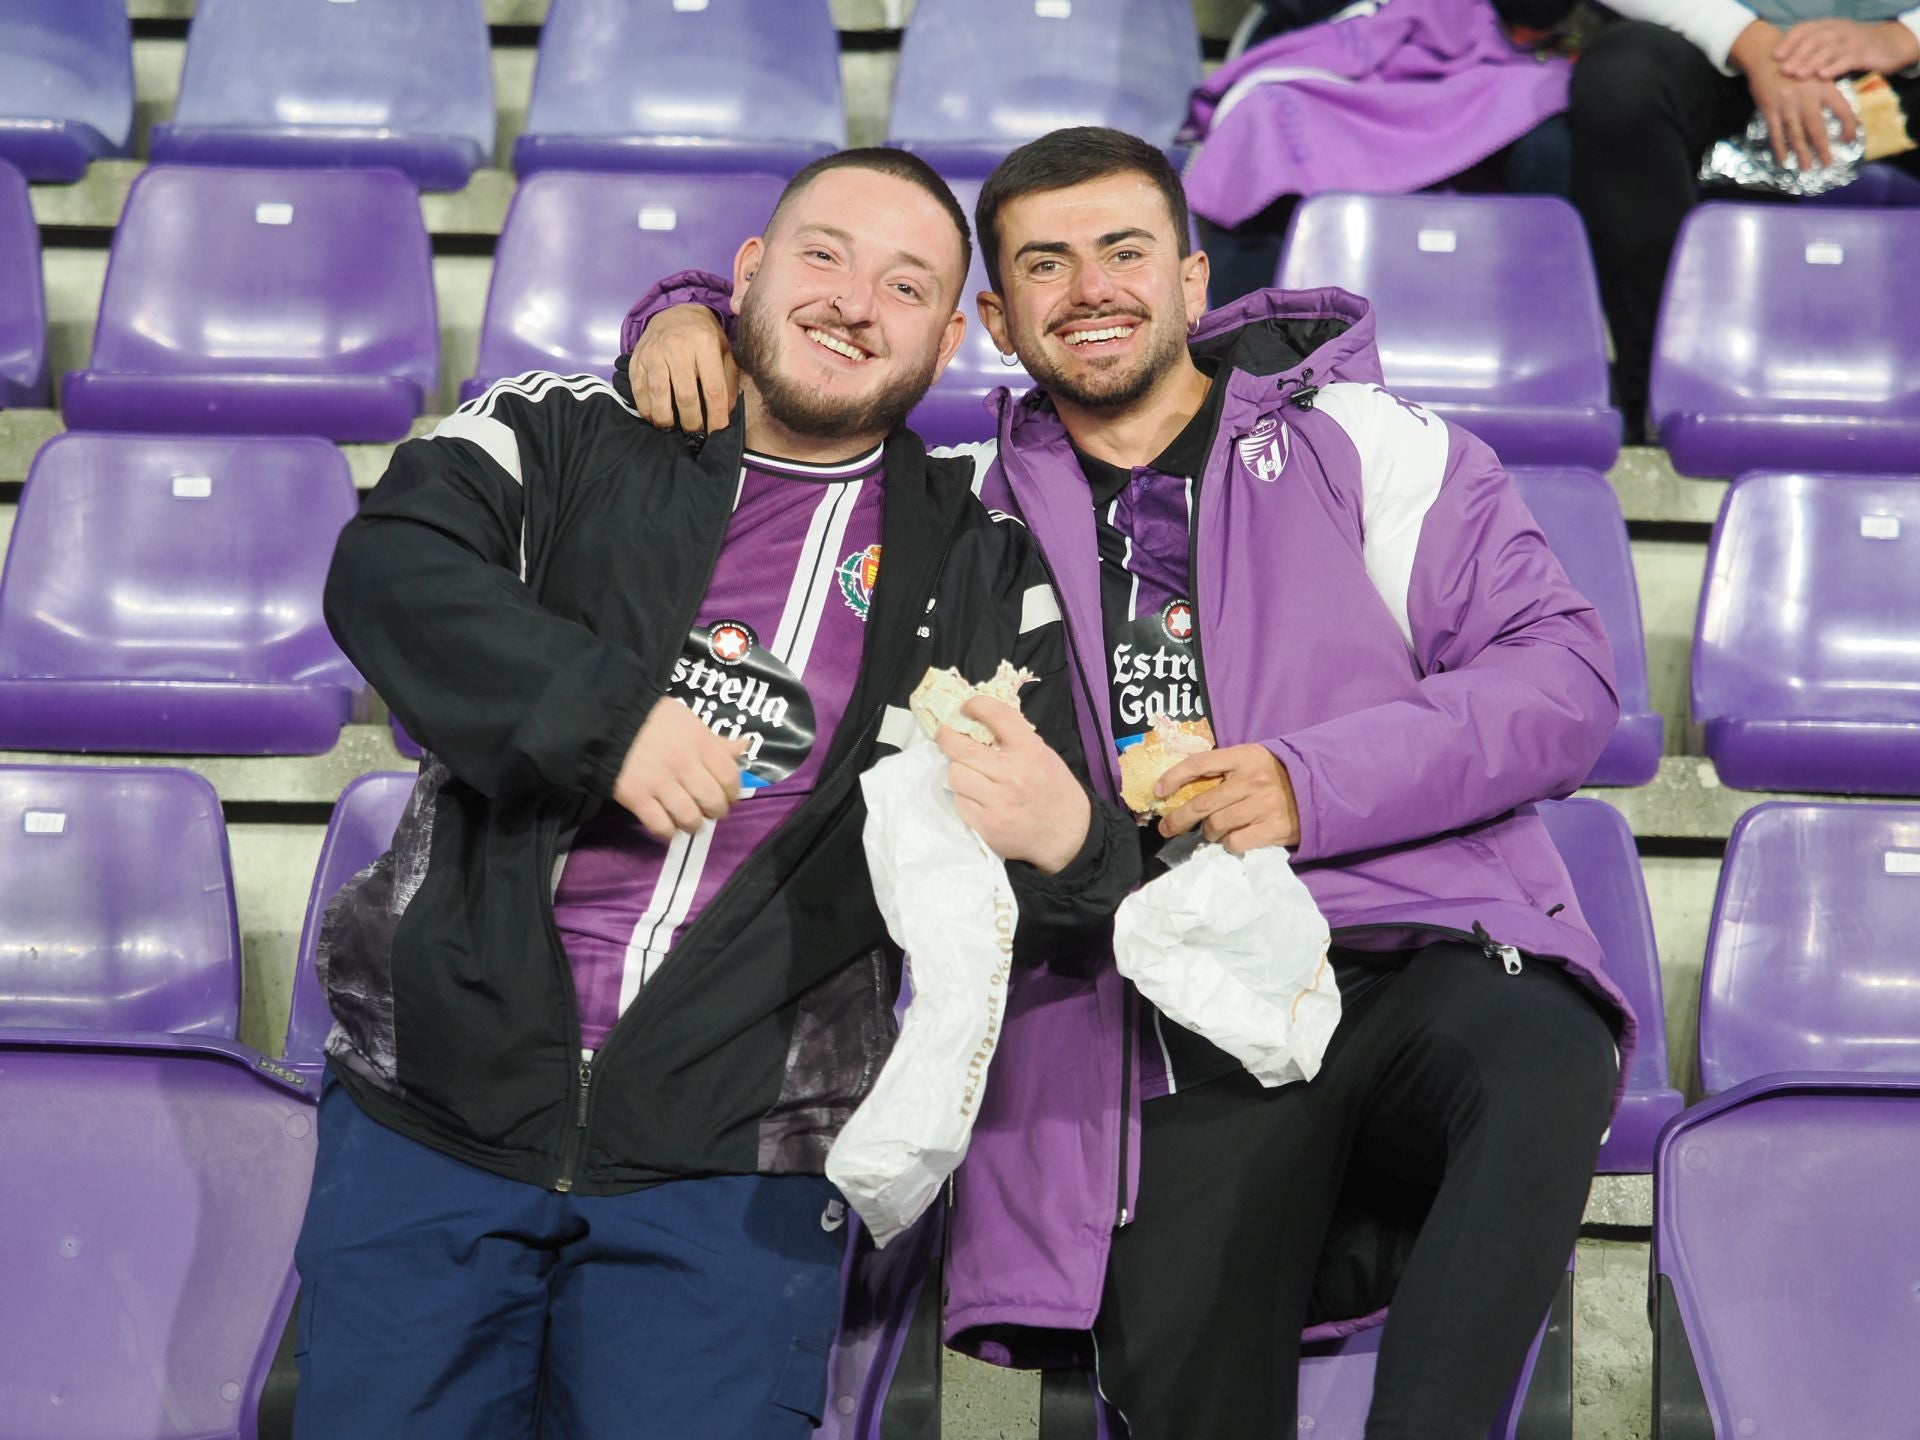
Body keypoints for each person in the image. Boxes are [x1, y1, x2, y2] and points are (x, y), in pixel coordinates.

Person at [618, 125, 1636, 1440]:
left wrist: (1309, 783)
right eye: (1046, 263)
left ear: (1195, 281)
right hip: (1153, 1027)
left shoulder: (1366, 443)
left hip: (1408, 949)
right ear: (992, 315)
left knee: (1542, 1052)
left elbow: (1562, 677)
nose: (1090, 286)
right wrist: (684, 314)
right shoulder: (958, 507)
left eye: (1123, 251)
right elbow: (778, 470)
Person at [300, 146, 1139, 1440]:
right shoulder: (564, 431)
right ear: (746, 271)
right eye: (825, 256)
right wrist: (602, 720)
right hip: (433, 1117)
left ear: (952, 338)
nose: (857, 303)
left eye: (907, 285)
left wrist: (1074, 838)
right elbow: (391, 565)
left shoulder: (981, 563)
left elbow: (1091, 862)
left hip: (738, 1172)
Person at [1570, 0, 1920, 439]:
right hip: (1715, 47)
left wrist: (1905, 36)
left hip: (1902, 60)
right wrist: (1747, 40)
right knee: (1622, 79)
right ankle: (1666, 401)